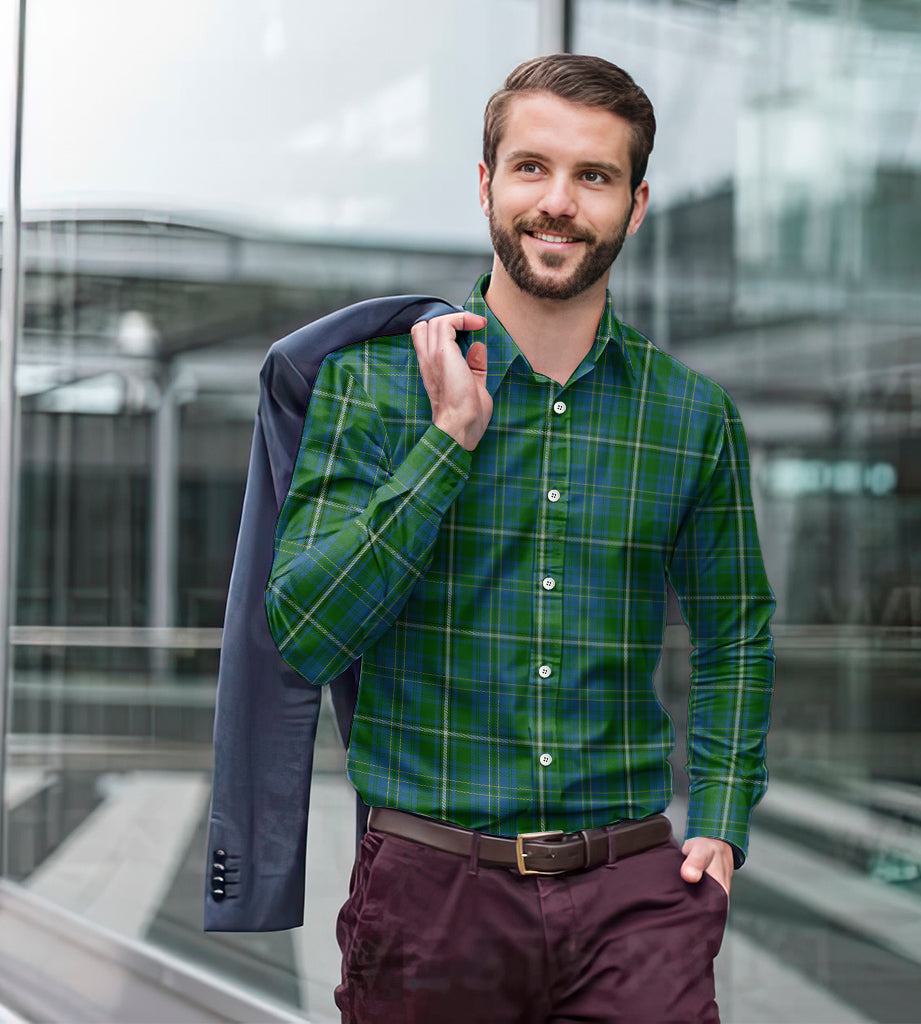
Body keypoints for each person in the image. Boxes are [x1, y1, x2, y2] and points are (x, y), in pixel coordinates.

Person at [265, 53, 775, 1024]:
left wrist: (719, 816)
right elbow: (304, 631)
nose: (559, 202)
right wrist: (449, 439)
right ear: (487, 182)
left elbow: (734, 629)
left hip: (633, 895)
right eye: (533, 167)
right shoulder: (371, 387)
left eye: (595, 176)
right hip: (431, 895)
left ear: (636, 203)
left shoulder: (690, 417)